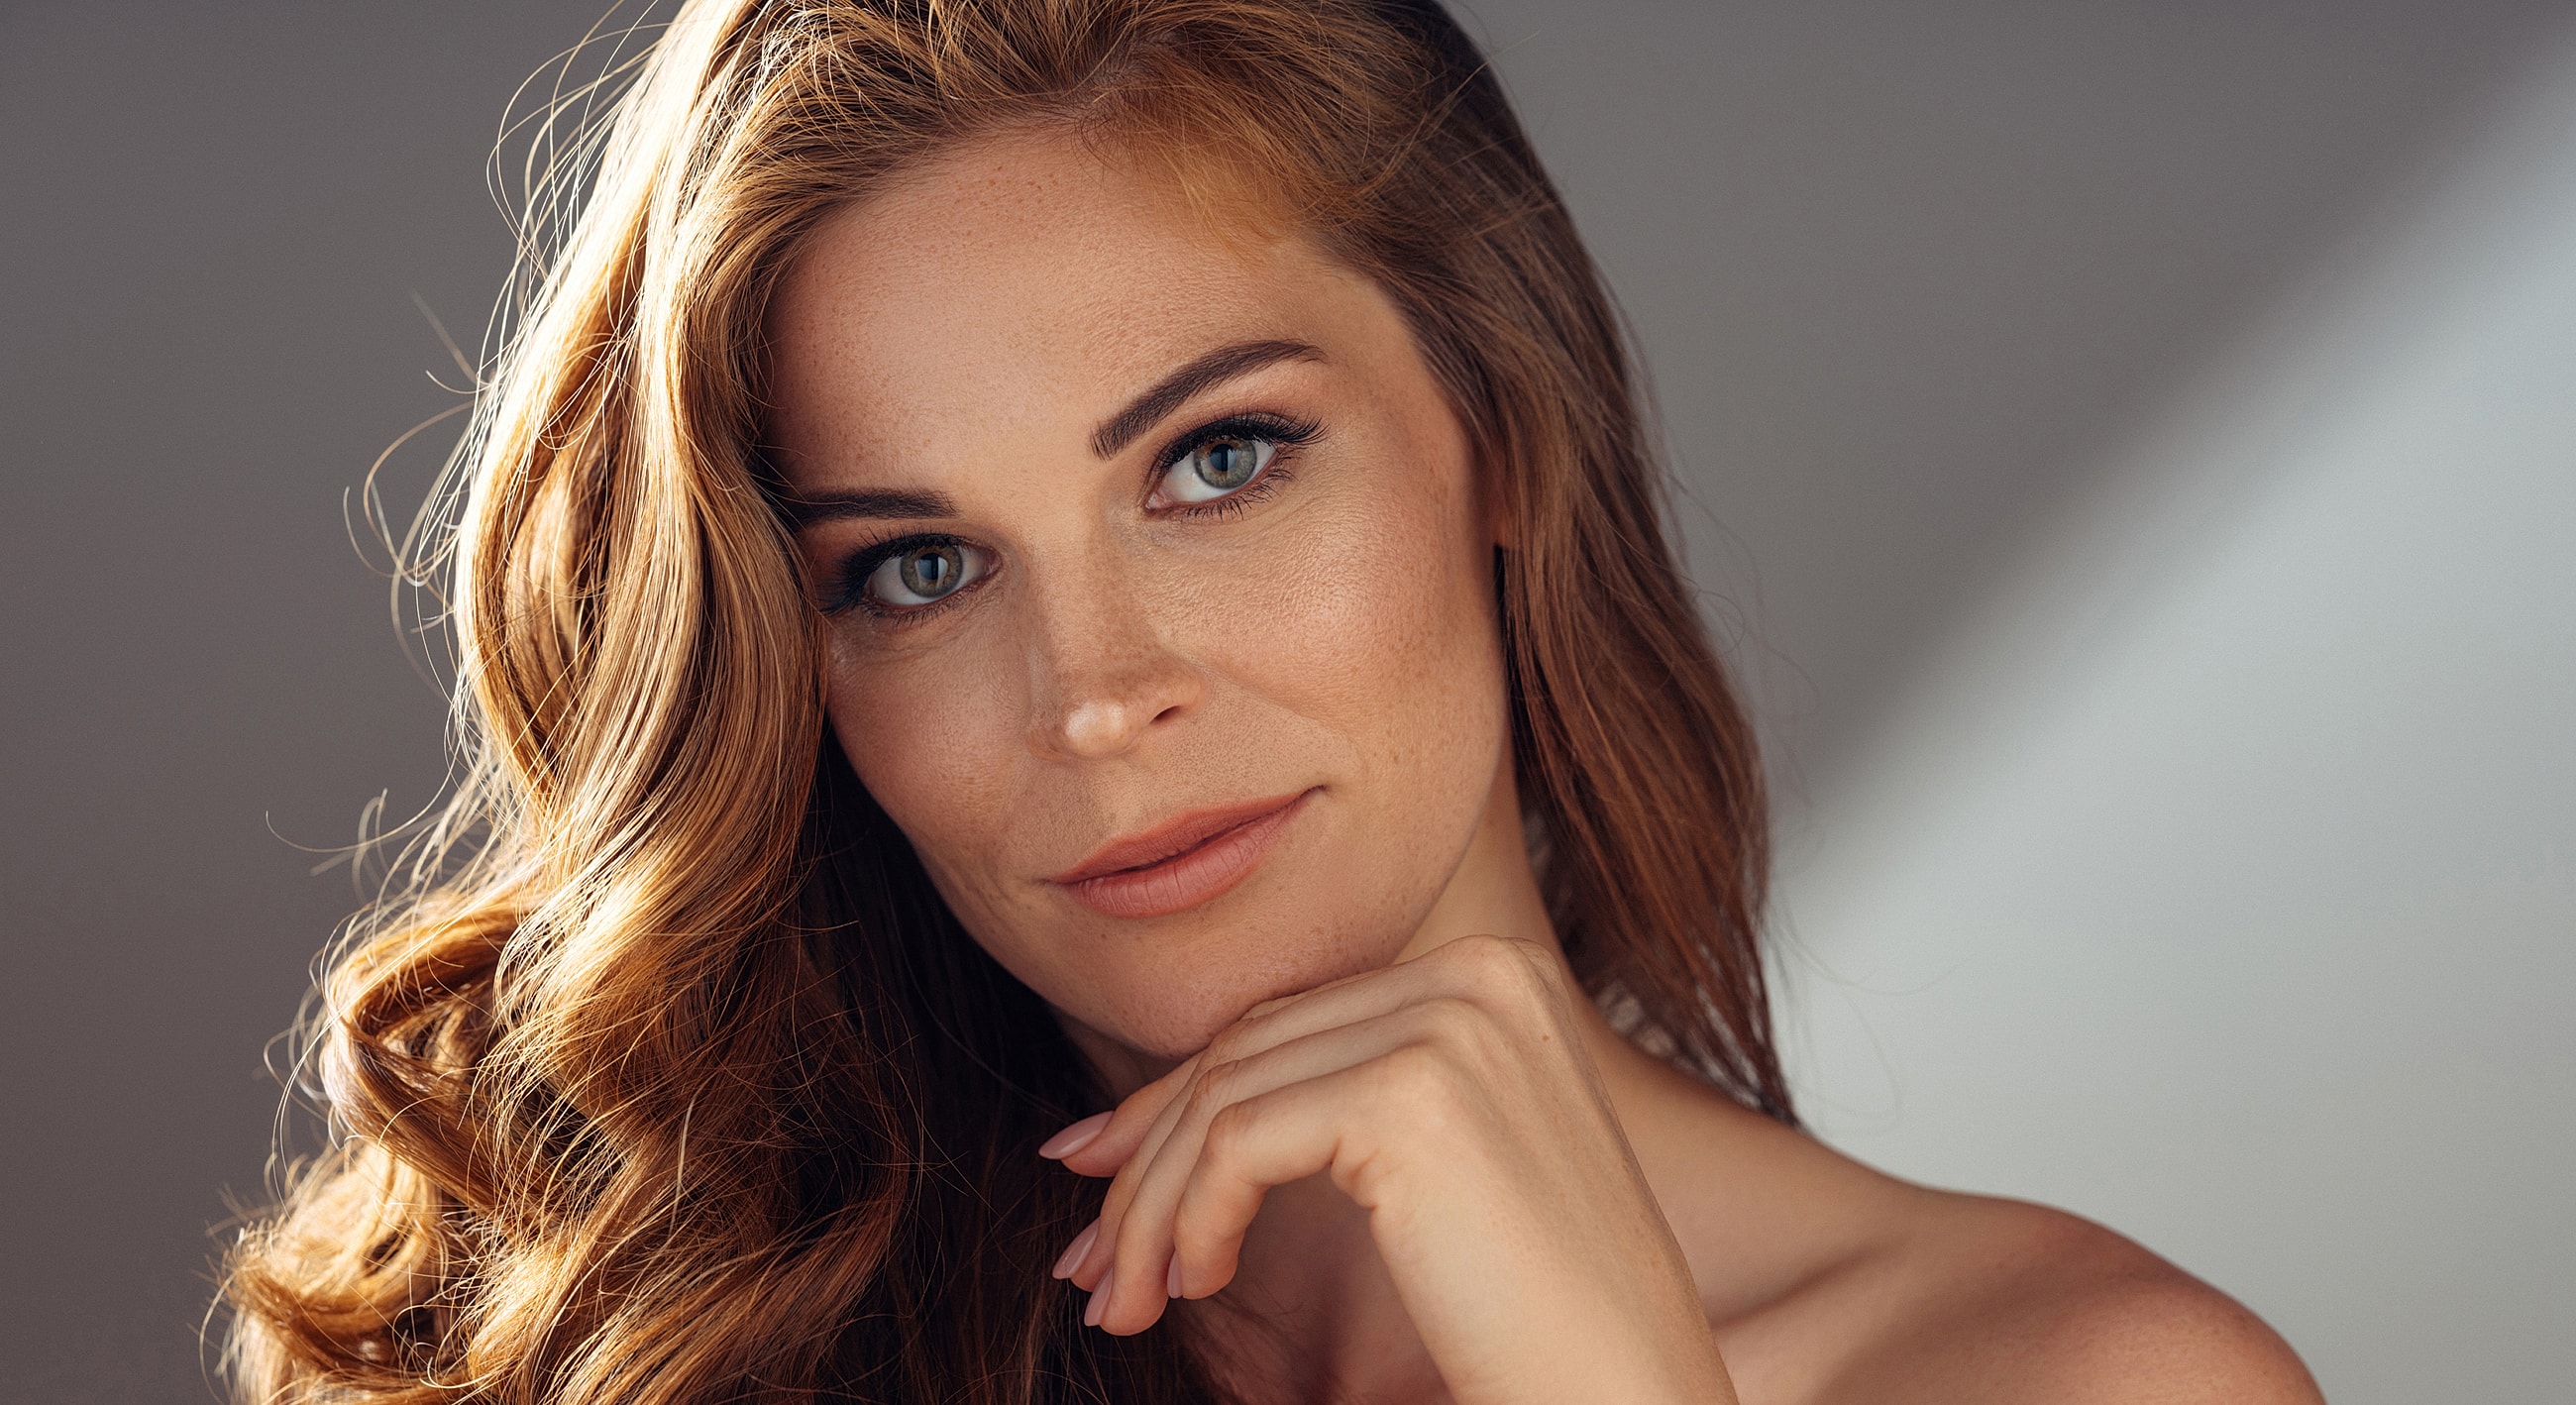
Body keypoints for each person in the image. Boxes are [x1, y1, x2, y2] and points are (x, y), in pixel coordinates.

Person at [222, 2, 2324, 1401]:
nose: (1098, 697)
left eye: (1217, 459)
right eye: (918, 568)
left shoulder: (2089, 1380)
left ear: (1503, 437)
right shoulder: (663, 1347)